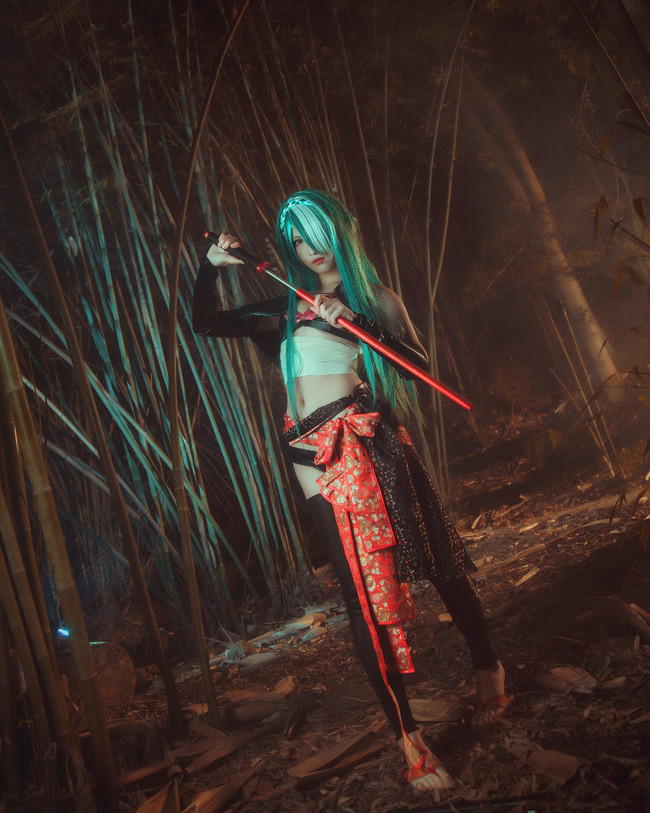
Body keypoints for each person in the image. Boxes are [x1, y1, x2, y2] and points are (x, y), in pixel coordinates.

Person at [192, 189, 512, 793]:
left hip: (368, 439)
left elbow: (417, 362)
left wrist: (354, 320)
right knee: (359, 593)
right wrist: (208, 270)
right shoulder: (287, 306)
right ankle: (409, 740)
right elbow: (206, 324)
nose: (309, 250)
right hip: (309, 453)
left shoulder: (376, 299)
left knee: (435, 560)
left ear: (339, 231)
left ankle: (488, 668)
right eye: (297, 240)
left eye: (317, 234)